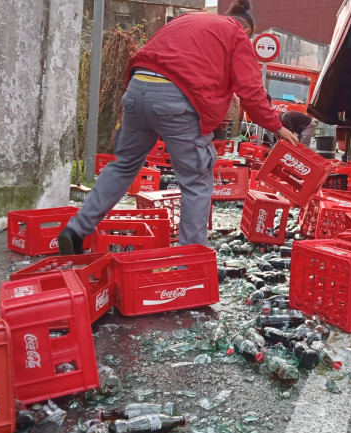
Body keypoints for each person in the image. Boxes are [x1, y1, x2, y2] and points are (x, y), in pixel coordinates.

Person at [57, 0, 299, 254]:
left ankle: (77, 229)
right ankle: (190, 263)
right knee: (195, 182)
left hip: (138, 88)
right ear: (247, 30)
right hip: (179, 99)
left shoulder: (188, 19)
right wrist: (276, 126)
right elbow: (250, 91)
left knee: (124, 164)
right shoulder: (236, 34)